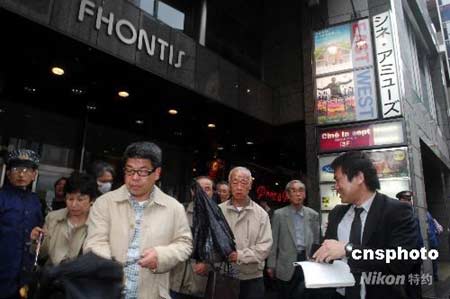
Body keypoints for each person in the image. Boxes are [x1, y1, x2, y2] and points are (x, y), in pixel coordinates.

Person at [83, 141, 192, 299]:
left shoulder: (174, 208)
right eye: (129, 171)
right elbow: (95, 241)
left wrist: (161, 256)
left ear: (157, 173)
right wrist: (110, 268)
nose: (134, 178)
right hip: (108, 292)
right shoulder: (104, 203)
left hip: (152, 293)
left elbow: (184, 243)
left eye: (142, 172)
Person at [313, 151, 418, 299]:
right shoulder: (337, 213)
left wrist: (348, 249)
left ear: (359, 177)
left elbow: (400, 260)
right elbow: (329, 250)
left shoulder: (397, 211)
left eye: (338, 180)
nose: (335, 187)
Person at [219, 166, 273, 299]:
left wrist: (239, 256)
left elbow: (264, 248)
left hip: (252, 278)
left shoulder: (261, 214)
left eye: (243, 182)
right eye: (235, 182)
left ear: (250, 185)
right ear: (229, 184)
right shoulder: (218, 211)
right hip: (224, 275)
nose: (238, 187)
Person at [0, 149, 43, 299]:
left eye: (26, 170)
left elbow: (38, 234)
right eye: (16, 169)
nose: (21, 174)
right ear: (8, 173)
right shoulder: (1, 198)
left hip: (25, 273)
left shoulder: (35, 201)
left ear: (34, 174)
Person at [267, 180, 319, 299]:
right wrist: (271, 265)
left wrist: (316, 261)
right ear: (288, 195)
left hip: (307, 261)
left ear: (305, 194)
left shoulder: (313, 215)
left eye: (301, 190)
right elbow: (273, 241)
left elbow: (316, 241)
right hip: (286, 262)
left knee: (305, 294)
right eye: (293, 191)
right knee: (286, 294)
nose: (298, 194)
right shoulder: (279, 215)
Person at [30, 173, 97, 266]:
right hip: (53, 276)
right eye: (70, 199)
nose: (73, 204)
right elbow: (41, 254)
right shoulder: (53, 218)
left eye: (80, 200)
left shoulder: (98, 223)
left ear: (92, 200)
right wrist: (36, 241)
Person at [170, 176, 215, 299]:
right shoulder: (179, 211)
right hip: (174, 278)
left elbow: (222, 249)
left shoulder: (218, 218)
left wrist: (208, 264)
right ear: (192, 191)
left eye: (208, 189)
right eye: (199, 188)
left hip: (199, 281)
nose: (203, 192)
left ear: (212, 192)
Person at [396, 191, 443, 282]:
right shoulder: (394, 216)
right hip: (401, 255)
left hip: (415, 254)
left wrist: (420, 252)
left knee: (414, 281)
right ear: (399, 201)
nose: (408, 202)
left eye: (409, 200)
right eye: (405, 200)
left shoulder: (415, 216)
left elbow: (418, 236)